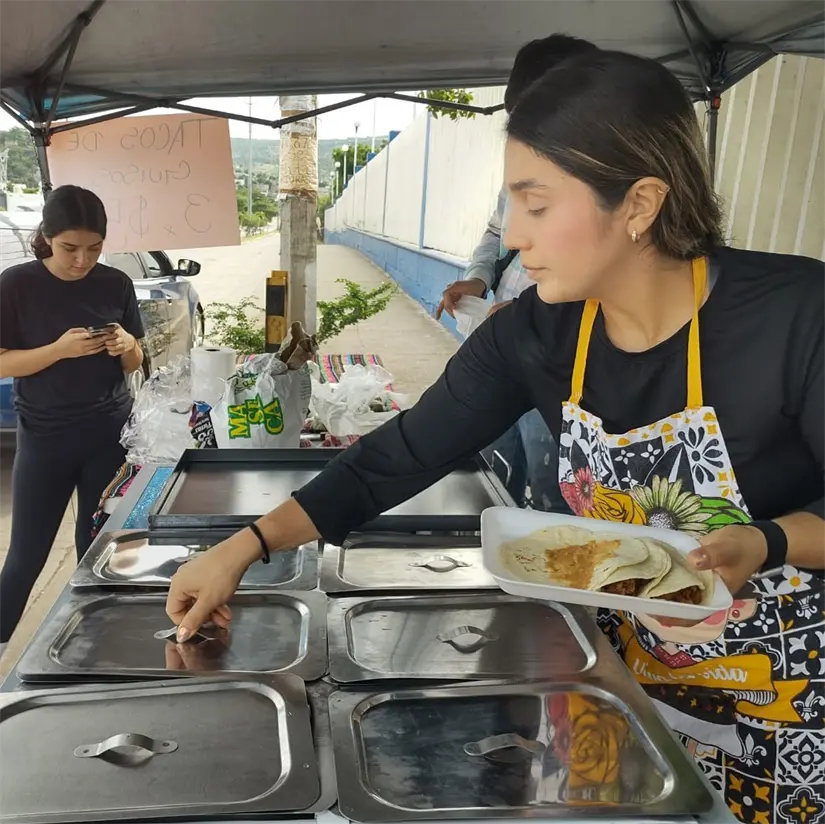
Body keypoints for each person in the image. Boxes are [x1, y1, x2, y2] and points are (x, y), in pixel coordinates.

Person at [168, 49, 825, 821]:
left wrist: (767, 543)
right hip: (619, 677)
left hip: (783, 696)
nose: (512, 236)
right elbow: (398, 455)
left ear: (640, 203)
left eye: (536, 205)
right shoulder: (537, 336)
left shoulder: (794, 315)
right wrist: (243, 546)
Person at [436, 34, 598, 512]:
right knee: (490, 472)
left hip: (563, 367)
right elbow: (496, 232)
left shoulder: (604, 180)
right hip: (507, 335)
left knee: (552, 492)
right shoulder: (526, 167)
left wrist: (537, 312)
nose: (518, 238)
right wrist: (479, 277)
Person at [0, 185, 145, 658]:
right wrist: (56, 351)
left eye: (94, 248)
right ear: (46, 237)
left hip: (109, 435)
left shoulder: (116, 284)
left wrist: (128, 346)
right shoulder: (17, 284)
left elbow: (136, 364)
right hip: (45, 440)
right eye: (69, 249)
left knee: (100, 547)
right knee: (26, 557)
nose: (82, 260)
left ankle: (93, 648)